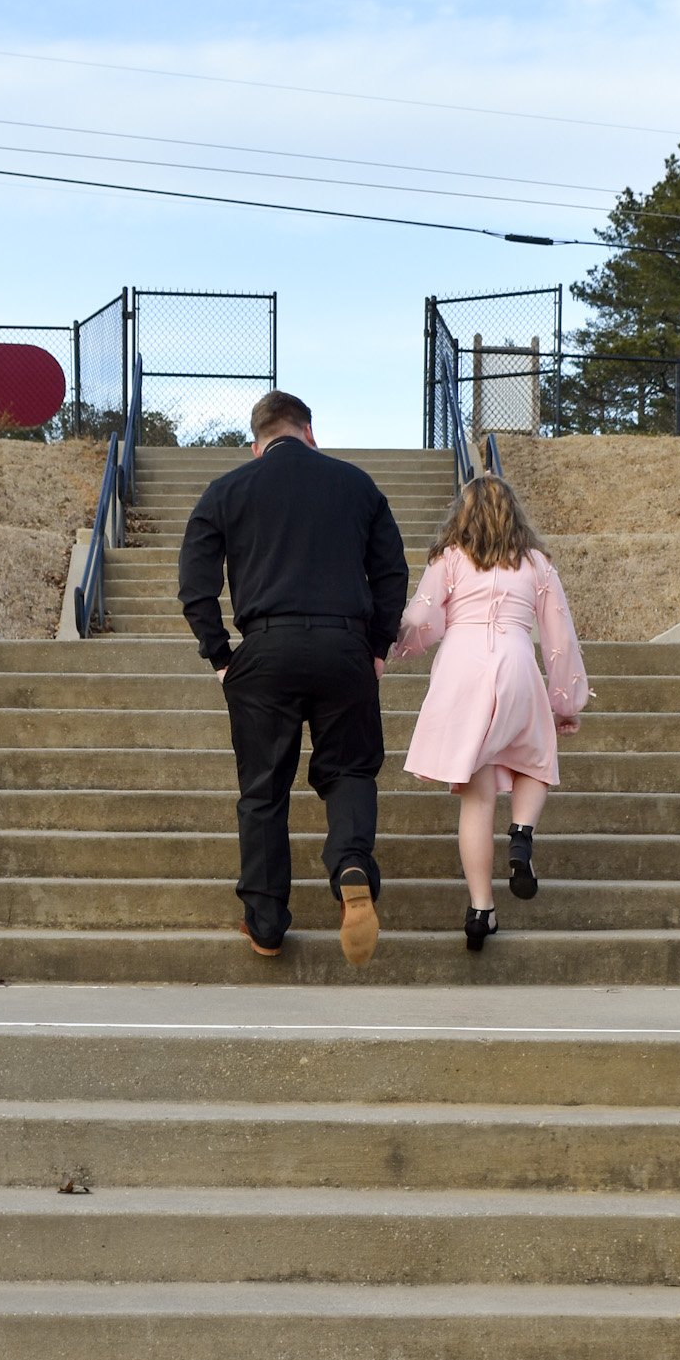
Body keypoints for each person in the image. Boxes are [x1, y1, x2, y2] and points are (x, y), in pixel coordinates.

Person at [178, 391, 408, 965]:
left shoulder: (228, 489)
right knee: (351, 768)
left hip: (264, 648)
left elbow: (194, 582)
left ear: (257, 446)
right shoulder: (357, 485)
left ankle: (266, 923)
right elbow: (391, 571)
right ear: (310, 432)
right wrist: (377, 645)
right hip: (344, 645)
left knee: (263, 789)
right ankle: (352, 864)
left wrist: (220, 654)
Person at [391, 472, 589, 951]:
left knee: (477, 798)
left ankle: (481, 909)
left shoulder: (450, 558)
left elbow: (419, 618)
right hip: (518, 659)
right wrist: (565, 702)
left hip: (463, 667)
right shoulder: (537, 563)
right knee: (536, 756)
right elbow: (559, 638)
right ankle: (521, 835)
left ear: (464, 513)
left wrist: (408, 644)